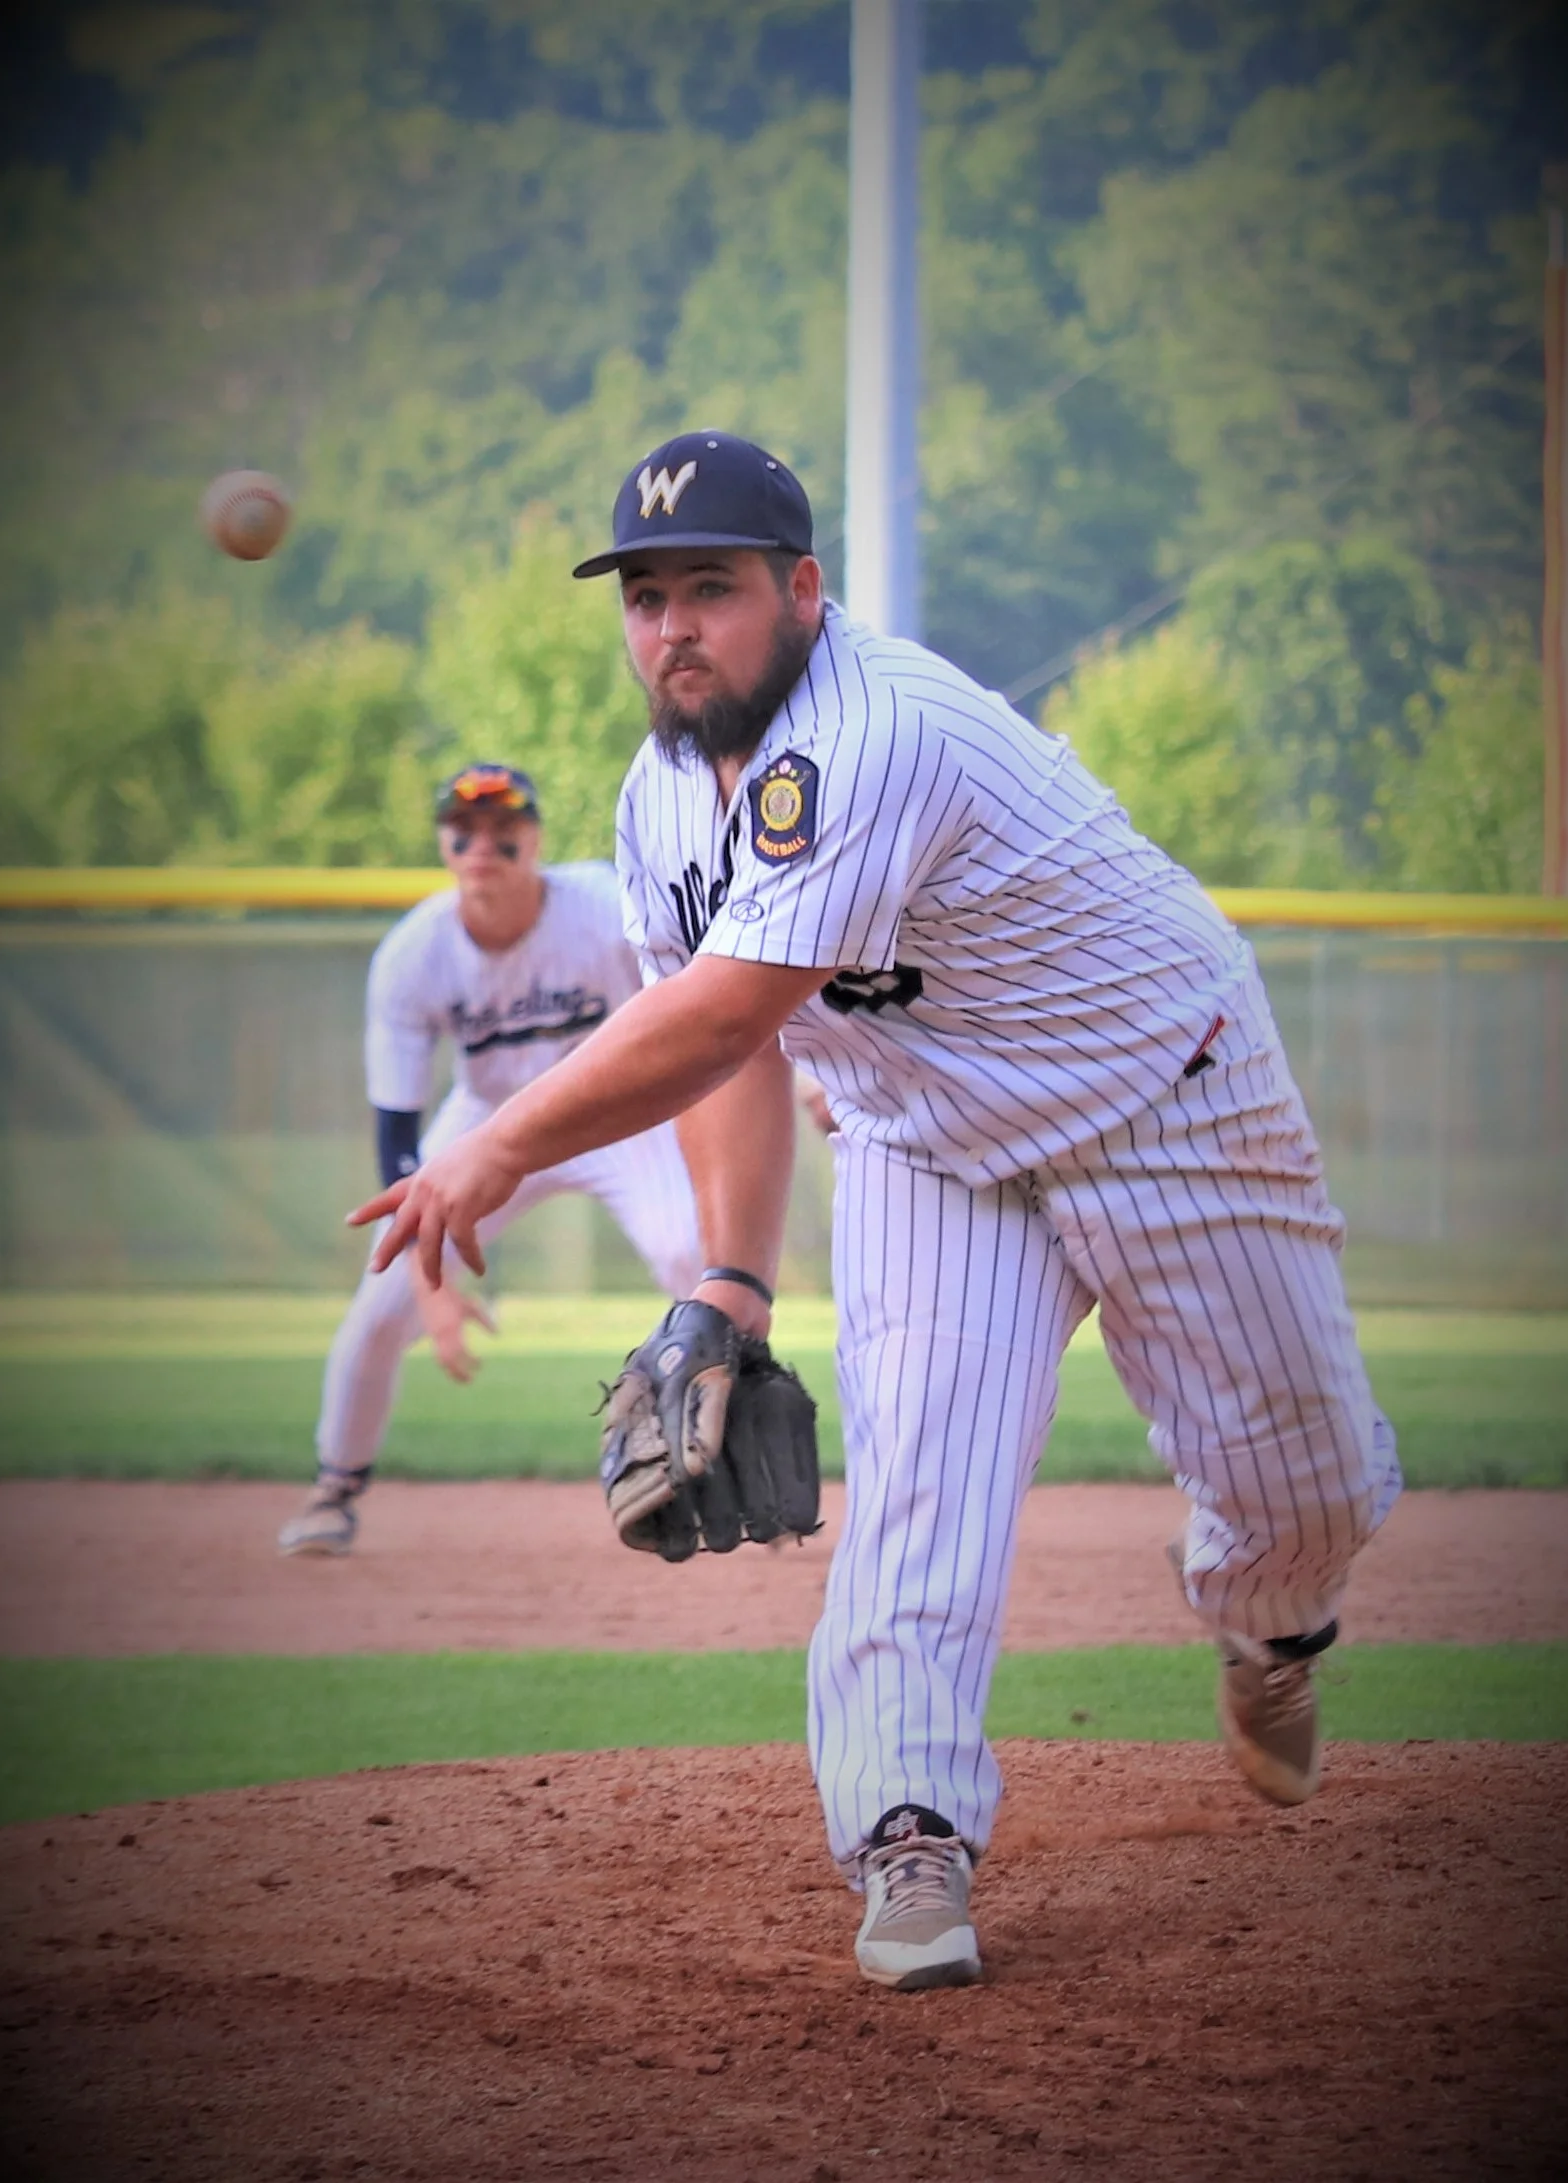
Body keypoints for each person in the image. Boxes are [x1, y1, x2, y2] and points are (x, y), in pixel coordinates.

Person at [348, 432, 1402, 1990]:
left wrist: (489, 1147)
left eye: (710, 586)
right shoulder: (656, 803)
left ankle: (1272, 1624)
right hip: (930, 1143)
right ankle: (907, 1830)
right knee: (918, 1475)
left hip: (1169, 1092)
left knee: (1300, 1480)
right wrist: (732, 1276)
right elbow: (736, 1046)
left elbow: (717, 1015)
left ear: (801, 589)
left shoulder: (874, 727)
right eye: (644, 595)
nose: (672, 627)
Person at [278, 761, 702, 1556]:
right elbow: (397, 1138)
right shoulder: (415, 954)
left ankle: (733, 1456)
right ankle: (334, 1486)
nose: (483, 844)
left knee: (693, 1253)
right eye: (462, 829)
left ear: (534, 838)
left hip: (615, 1110)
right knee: (380, 1307)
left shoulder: (604, 907)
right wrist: (429, 1291)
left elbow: (689, 1004)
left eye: (504, 829)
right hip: (490, 1125)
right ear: (443, 844)